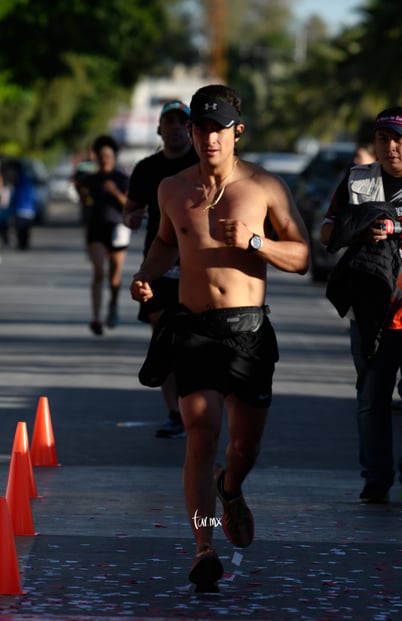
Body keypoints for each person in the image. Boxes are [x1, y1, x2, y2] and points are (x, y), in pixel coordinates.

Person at [130, 84, 310, 592]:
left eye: (218, 129)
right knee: (201, 436)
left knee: (244, 446)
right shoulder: (171, 188)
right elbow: (167, 243)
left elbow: (302, 258)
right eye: (200, 127)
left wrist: (256, 242)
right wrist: (147, 274)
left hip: (247, 331)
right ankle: (203, 545)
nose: (209, 138)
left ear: (237, 132)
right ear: (190, 131)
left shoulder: (265, 187)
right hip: (192, 330)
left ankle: (231, 490)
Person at [320, 106, 402, 505]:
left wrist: (397, 228)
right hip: (369, 311)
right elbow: (326, 231)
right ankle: (376, 478)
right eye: (383, 139)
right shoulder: (358, 179)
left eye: (399, 139)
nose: (390, 147)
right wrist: (357, 227)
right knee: (371, 399)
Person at [123, 100, 199, 439]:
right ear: (159, 129)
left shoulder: (201, 164)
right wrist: (132, 218)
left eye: (181, 122)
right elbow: (130, 210)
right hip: (159, 263)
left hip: (196, 263)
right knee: (163, 338)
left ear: (190, 129)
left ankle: (195, 407)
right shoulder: (147, 168)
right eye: (168, 122)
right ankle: (174, 413)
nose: (174, 128)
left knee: (192, 342)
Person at [77, 135, 130, 335]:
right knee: (98, 272)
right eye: (101, 156)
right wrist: (82, 193)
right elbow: (85, 201)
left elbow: (128, 205)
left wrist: (115, 192)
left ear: (114, 157)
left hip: (117, 229)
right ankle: (96, 318)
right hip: (96, 228)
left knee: (113, 278)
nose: (105, 159)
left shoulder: (122, 178)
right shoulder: (91, 179)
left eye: (108, 155)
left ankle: (113, 305)